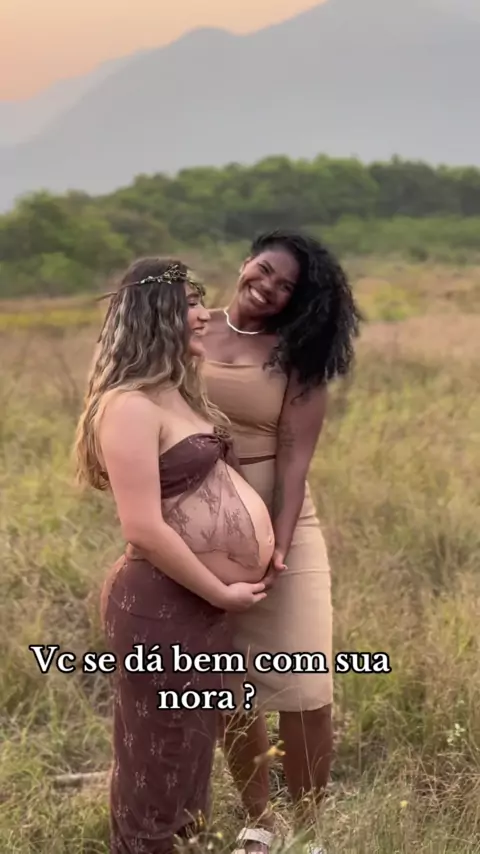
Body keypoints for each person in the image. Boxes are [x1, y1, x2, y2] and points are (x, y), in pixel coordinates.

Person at [73, 257, 277, 854]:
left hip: (199, 605)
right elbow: (142, 527)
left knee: (189, 757)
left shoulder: (177, 394)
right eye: (189, 303)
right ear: (155, 315)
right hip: (161, 606)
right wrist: (221, 589)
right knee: (156, 761)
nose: (204, 314)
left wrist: (260, 549)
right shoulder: (129, 405)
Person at [202, 229, 362, 854]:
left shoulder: (297, 354)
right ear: (245, 262)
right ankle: (259, 821)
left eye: (285, 286)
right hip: (202, 531)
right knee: (230, 684)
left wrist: (278, 549)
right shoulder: (190, 329)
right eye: (264, 270)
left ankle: (311, 832)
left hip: (282, 525)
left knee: (306, 687)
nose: (267, 287)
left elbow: (295, 463)